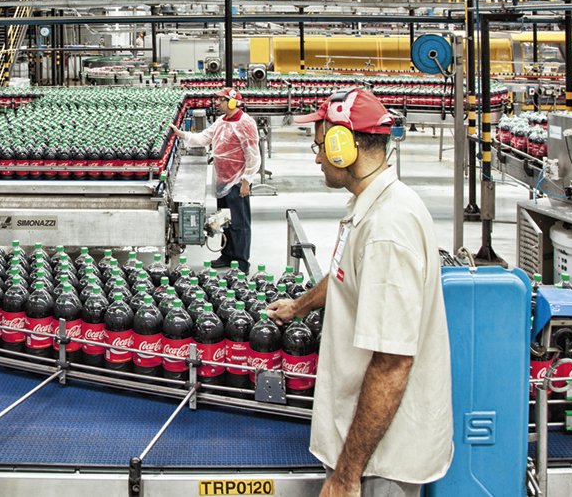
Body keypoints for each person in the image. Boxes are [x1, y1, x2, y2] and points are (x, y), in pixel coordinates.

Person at [267, 88, 452, 497]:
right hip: (367, 445)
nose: (316, 158)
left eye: (319, 146)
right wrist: (298, 307)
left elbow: (392, 364)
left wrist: (347, 475)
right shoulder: (371, 206)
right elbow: (343, 277)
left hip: (381, 459)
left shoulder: (388, 228)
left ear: (343, 147)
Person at [171, 88, 259, 271]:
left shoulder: (245, 123)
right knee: (224, 220)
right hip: (223, 180)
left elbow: (253, 155)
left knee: (239, 224)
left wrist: (246, 181)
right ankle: (227, 256)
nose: (217, 103)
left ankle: (241, 263)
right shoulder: (222, 121)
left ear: (232, 102)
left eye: (221, 100)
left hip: (237, 181)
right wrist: (181, 134)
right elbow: (204, 138)